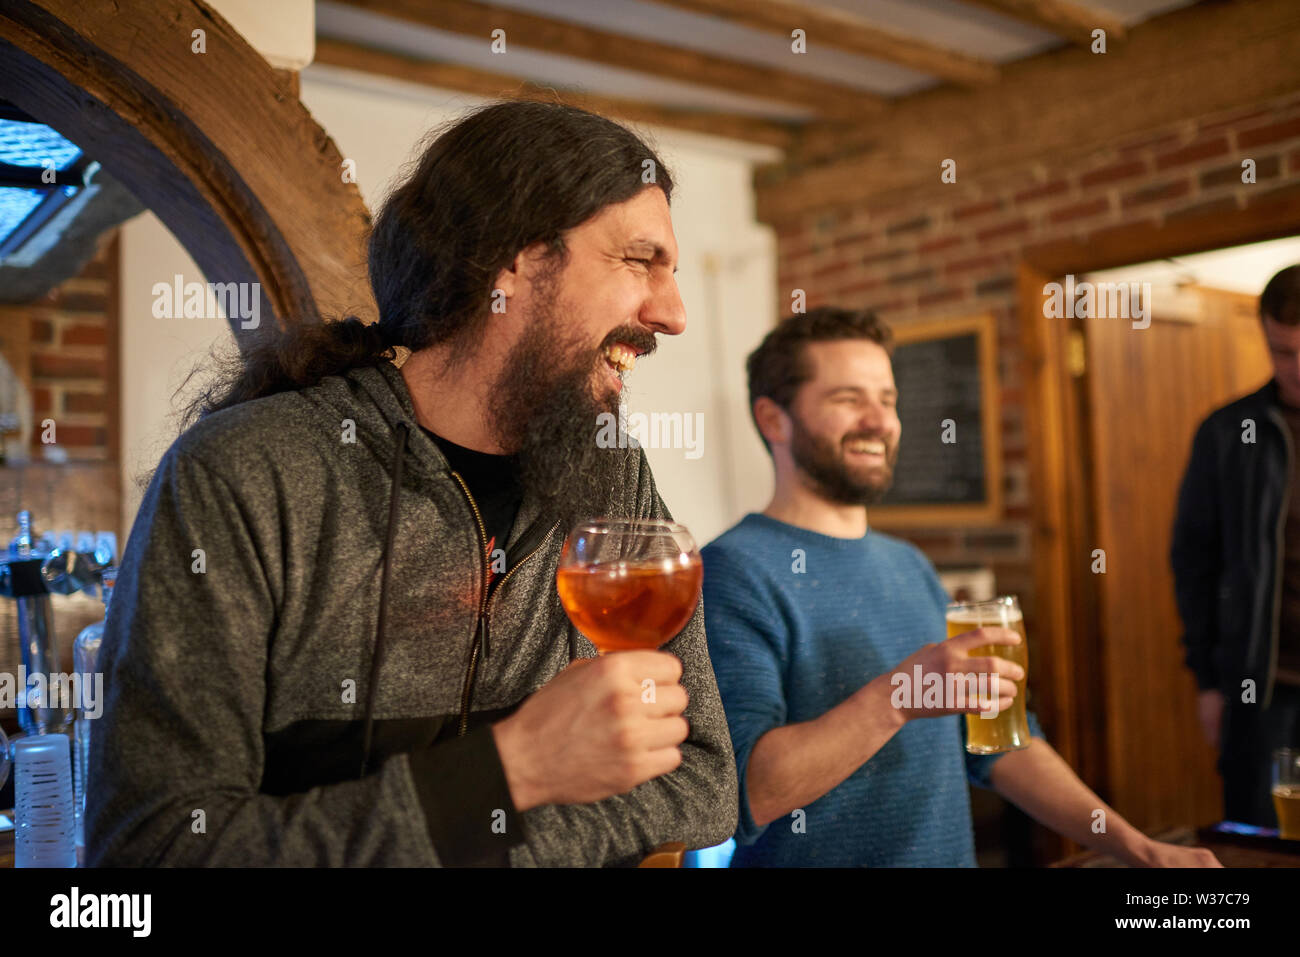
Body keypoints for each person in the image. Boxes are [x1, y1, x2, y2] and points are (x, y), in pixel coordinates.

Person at [87, 101, 737, 866]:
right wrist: (508, 771)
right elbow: (151, 852)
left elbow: (704, 778)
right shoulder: (245, 474)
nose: (675, 314)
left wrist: (497, 840)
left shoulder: (611, 473)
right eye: (637, 260)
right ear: (515, 260)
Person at [703, 306, 1220, 866]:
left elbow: (998, 742)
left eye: (888, 399)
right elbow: (744, 792)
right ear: (774, 419)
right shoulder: (731, 571)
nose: (879, 421)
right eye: (848, 399)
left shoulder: (910, 566)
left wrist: (1139, 849)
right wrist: (899, 697)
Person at [1172, 264, 1300, 828]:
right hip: (1260, 691)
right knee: (1260, 840)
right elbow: (1193, 561)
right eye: (1284, 352)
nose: (1299, 369)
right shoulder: (1228, 432)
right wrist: (1208, 682)